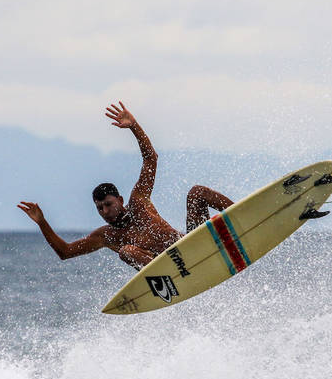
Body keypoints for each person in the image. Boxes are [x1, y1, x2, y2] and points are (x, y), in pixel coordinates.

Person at [18, 102, 233, 269]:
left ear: (120, 200)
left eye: (108, 204)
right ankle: (168, 273)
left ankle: (244, 216)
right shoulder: (106, 236)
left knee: (197, 192)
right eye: (100, 208)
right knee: (127, 251)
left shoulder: (139, 202)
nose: (105, 211)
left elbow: (151, 158)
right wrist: (42, 222)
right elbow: (65, 252)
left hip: (193, 247)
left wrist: (134, 127)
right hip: (174, 272)